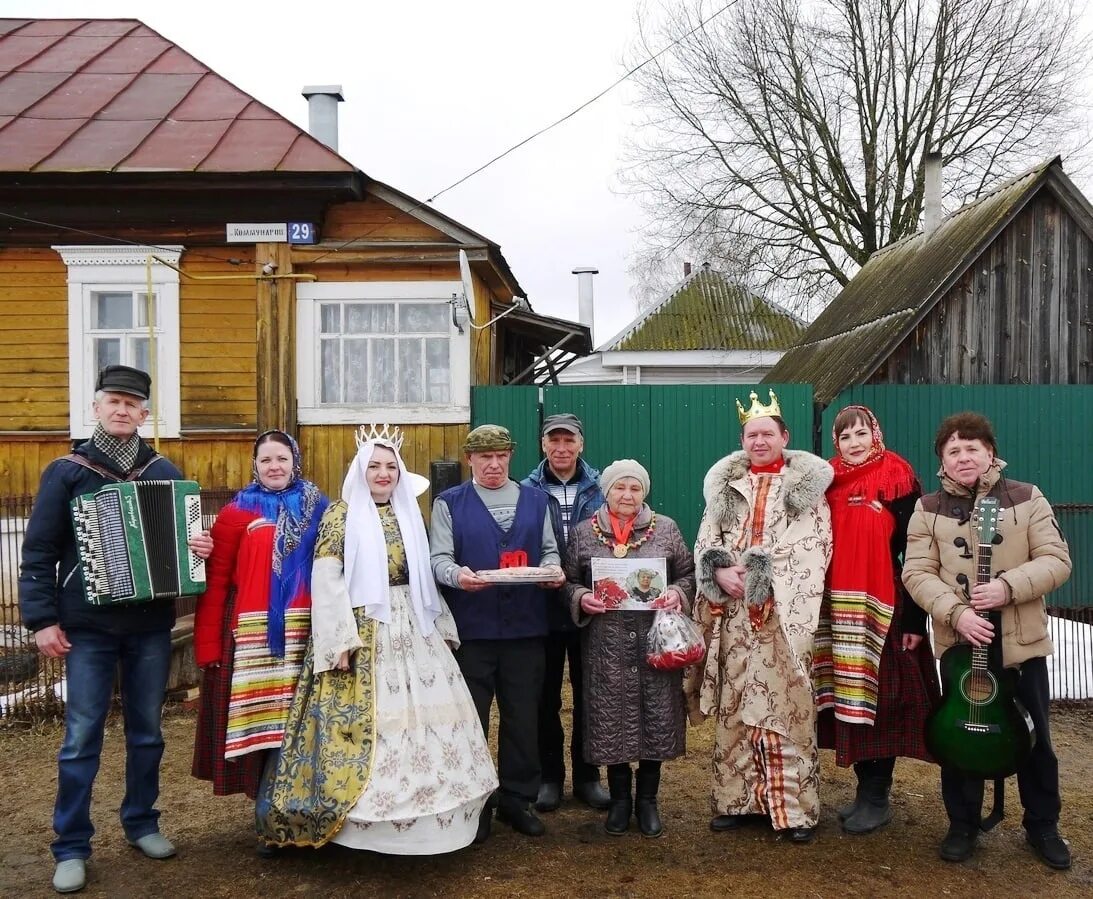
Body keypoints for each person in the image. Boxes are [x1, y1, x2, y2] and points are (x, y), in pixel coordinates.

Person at [257, 425, 498, 853]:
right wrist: (339, 641)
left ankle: (439, 823)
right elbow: (327, 578)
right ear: (360, 471)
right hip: (362, 627)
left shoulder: (409, 515)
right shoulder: (341, 514)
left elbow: (423, 578)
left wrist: (440, 626)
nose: (383, 474)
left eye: (391, 466)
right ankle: (358, 824)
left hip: (412, 625)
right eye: (375, 466)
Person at [18, 365, 213, 894]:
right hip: (86, 629)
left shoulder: (165, 472)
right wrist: (41, 619)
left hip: (150, 626)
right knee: (81, 737)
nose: (123, 410)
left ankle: (142, 823)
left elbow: (189, 549)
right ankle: (71, 846)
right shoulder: (68, 471)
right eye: (114, 401)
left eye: (132, 403)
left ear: (145, 414)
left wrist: (201, 552)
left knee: (147, 733)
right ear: (97, 408)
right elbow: (38, 552)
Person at [902, 412, 1072, 870]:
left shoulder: (1027, 498)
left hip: (1019, 643)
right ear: (942, 459)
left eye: (971, 448)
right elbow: (916, 572)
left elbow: (1056, 560)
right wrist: (956, 613)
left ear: (990, 453)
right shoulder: (927, 507)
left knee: (1034, 737)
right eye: (953, 450)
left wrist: (1007, 588)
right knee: (960, 734)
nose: (963, 458)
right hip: (962, 644)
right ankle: (962, 822)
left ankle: (1042, 823)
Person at [687, 389, 832, 844]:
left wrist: (762, 581)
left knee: (787, 708)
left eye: (768, 433)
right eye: (752, 434)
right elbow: (706, 540)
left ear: (784, 436)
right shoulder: (725, 489)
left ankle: (793, 810)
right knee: (735, 703)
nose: (760, 441)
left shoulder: (805, 491)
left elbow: (813, 548)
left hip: (780, 620)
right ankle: (737, 801)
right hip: (734, 619)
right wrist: (719, 572)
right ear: (743, 440)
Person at [191, 430, 328, 853]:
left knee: (303, 728)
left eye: (281, 459)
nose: (274, 466)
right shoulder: (235, 514)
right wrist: (209, 646)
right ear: (255, 464)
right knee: (267, 732)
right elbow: (216, 584)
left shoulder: (319, 509)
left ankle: (310, 816)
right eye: (266, 459)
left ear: (295, 461)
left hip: (306, 632)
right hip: (253, 639)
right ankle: (268, 819)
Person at [430, 424, 565, 842]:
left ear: (511, 456)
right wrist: (458, 576)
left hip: (526, 629)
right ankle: (475, 803)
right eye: (484, 457)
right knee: (470, 720)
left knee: (523, 718)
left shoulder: (536, 499)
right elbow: (438, 559)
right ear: (470, 459)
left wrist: (552, 570)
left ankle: (516, 800)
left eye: (501, 456)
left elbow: (548, 550)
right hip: (473, 631)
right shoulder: (448, 503)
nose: (493, 464)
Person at [813, 405, 940, 834]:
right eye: (845, 436)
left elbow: (919, 556)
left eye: (861, 433)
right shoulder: (825, 479)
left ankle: (877, 795)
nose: (854, 443)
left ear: (875, 433)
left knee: (880, 702)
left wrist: (914, 622)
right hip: (834, 610)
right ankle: (861, 787)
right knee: (845, 701)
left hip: (881, 610)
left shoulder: (898, 479)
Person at [563, 460, 695, 837]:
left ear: (644, 492)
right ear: (606, 492)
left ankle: (648, 800)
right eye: (620, 488)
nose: (627, 495)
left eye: (635, 488)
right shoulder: (583, 534)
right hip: (606, 645)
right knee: (611, 721)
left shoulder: (665, 528)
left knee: (656, 717)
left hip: (656, 642)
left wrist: (677, 592)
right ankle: (620, 800)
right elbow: (568, 581)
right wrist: (581, 597)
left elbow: (687, 573)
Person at [521, 412, 609, 813]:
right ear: (543, 445)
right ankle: (549, 778)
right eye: (553, 441)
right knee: (544, 699)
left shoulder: (601, 488)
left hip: (591, 606)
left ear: (581, 444)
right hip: (541, 607)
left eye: (568, 440)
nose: (561, 448)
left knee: (590, 695)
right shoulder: (526, 489)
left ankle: (589, 777)